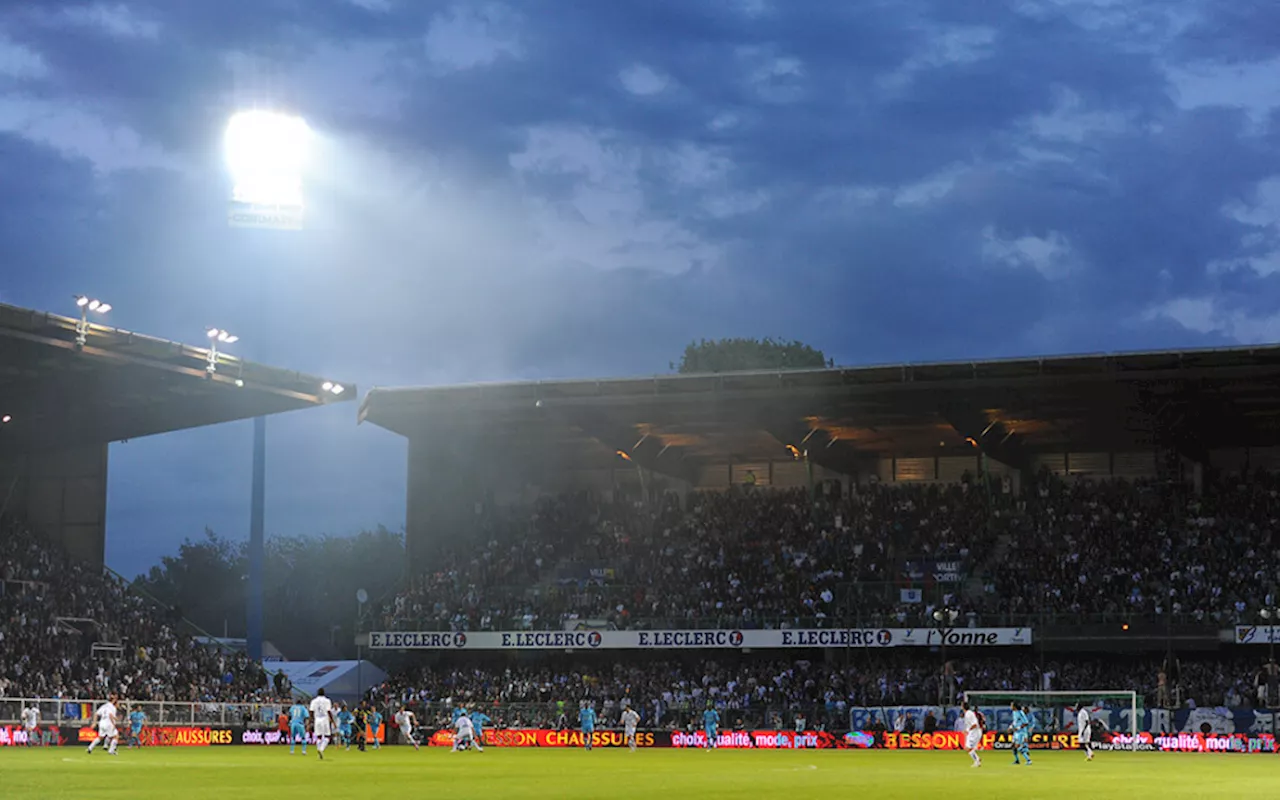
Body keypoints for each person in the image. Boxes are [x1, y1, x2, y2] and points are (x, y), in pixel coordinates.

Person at [309, 688, 334, 760]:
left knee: (319, 736)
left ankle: (318, 749)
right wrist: (332, 720)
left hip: (317, 719)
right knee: (327, 736)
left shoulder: (313, 701)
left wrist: (310, 721)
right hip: (325, 719)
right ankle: (321, 749)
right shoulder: (327, 700)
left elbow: (311, 712)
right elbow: (328, 711)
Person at [961, 701, 982, 768]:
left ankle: (977, 760)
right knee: (967, 748)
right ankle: (977, 759)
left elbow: (975, 724)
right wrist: (966, 730)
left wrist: (968, 730)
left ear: (963, 707)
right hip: (972, 732)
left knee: (968, 748)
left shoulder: (969, 714)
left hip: (974, 732)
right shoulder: (968, 713)